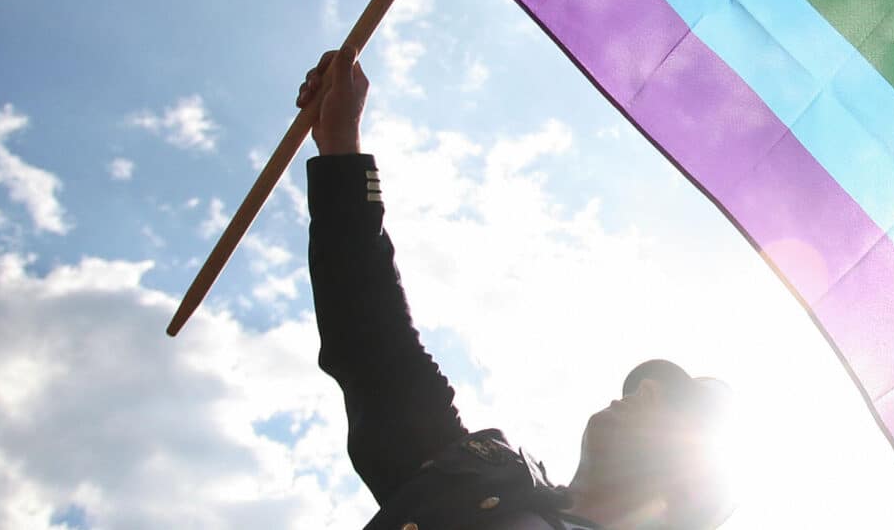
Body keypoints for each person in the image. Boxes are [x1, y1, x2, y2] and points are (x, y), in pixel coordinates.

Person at [299, 50, 736, 530]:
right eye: (657, 386)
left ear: (694, 490)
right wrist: (341, 147)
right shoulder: (479, 478)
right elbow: (379, 350)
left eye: (679, 407)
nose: (647, 387)